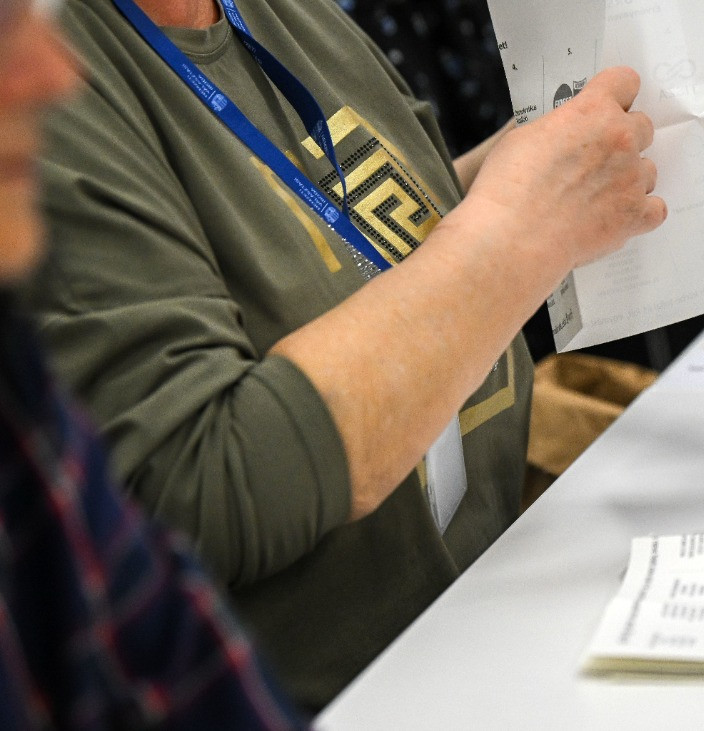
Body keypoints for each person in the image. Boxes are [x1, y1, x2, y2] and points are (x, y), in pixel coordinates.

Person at [28, 0, 663, 711]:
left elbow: (358, 247)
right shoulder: (42, 75)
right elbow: (200, 482)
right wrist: (522, 230)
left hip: (496, 616)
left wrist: (548, 167)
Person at [0, 0, 305, 726]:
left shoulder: (18, 388)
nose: (57, 76)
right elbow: (211, 476)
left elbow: (177, 666)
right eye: (5, 32)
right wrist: (501, 239)